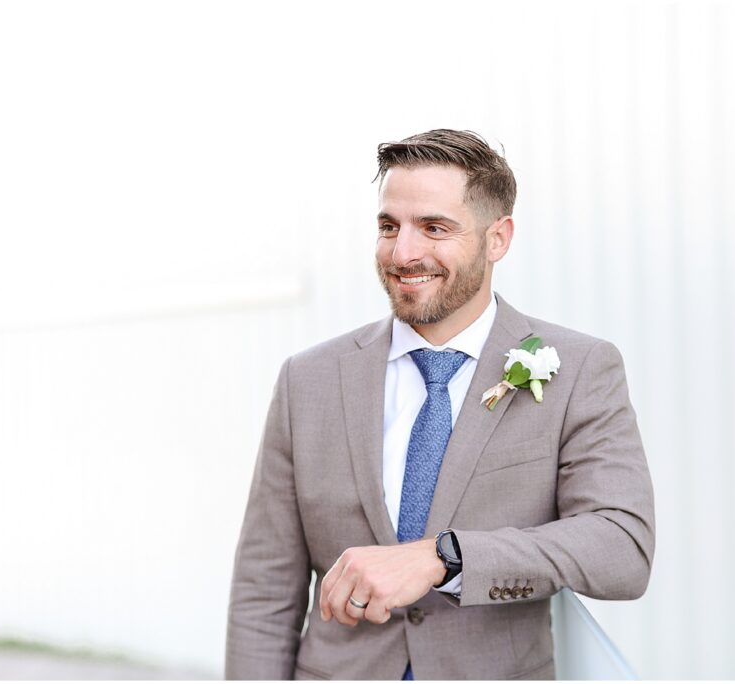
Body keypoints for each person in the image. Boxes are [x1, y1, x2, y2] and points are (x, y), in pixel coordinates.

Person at [225, 129, 655, 680]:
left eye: (434, 227)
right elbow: (264, 588)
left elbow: (622, 547)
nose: (403, 252)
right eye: (389, 227)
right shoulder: (307, 380)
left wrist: (444, 557)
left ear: (497, 238)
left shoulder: (579, 369)